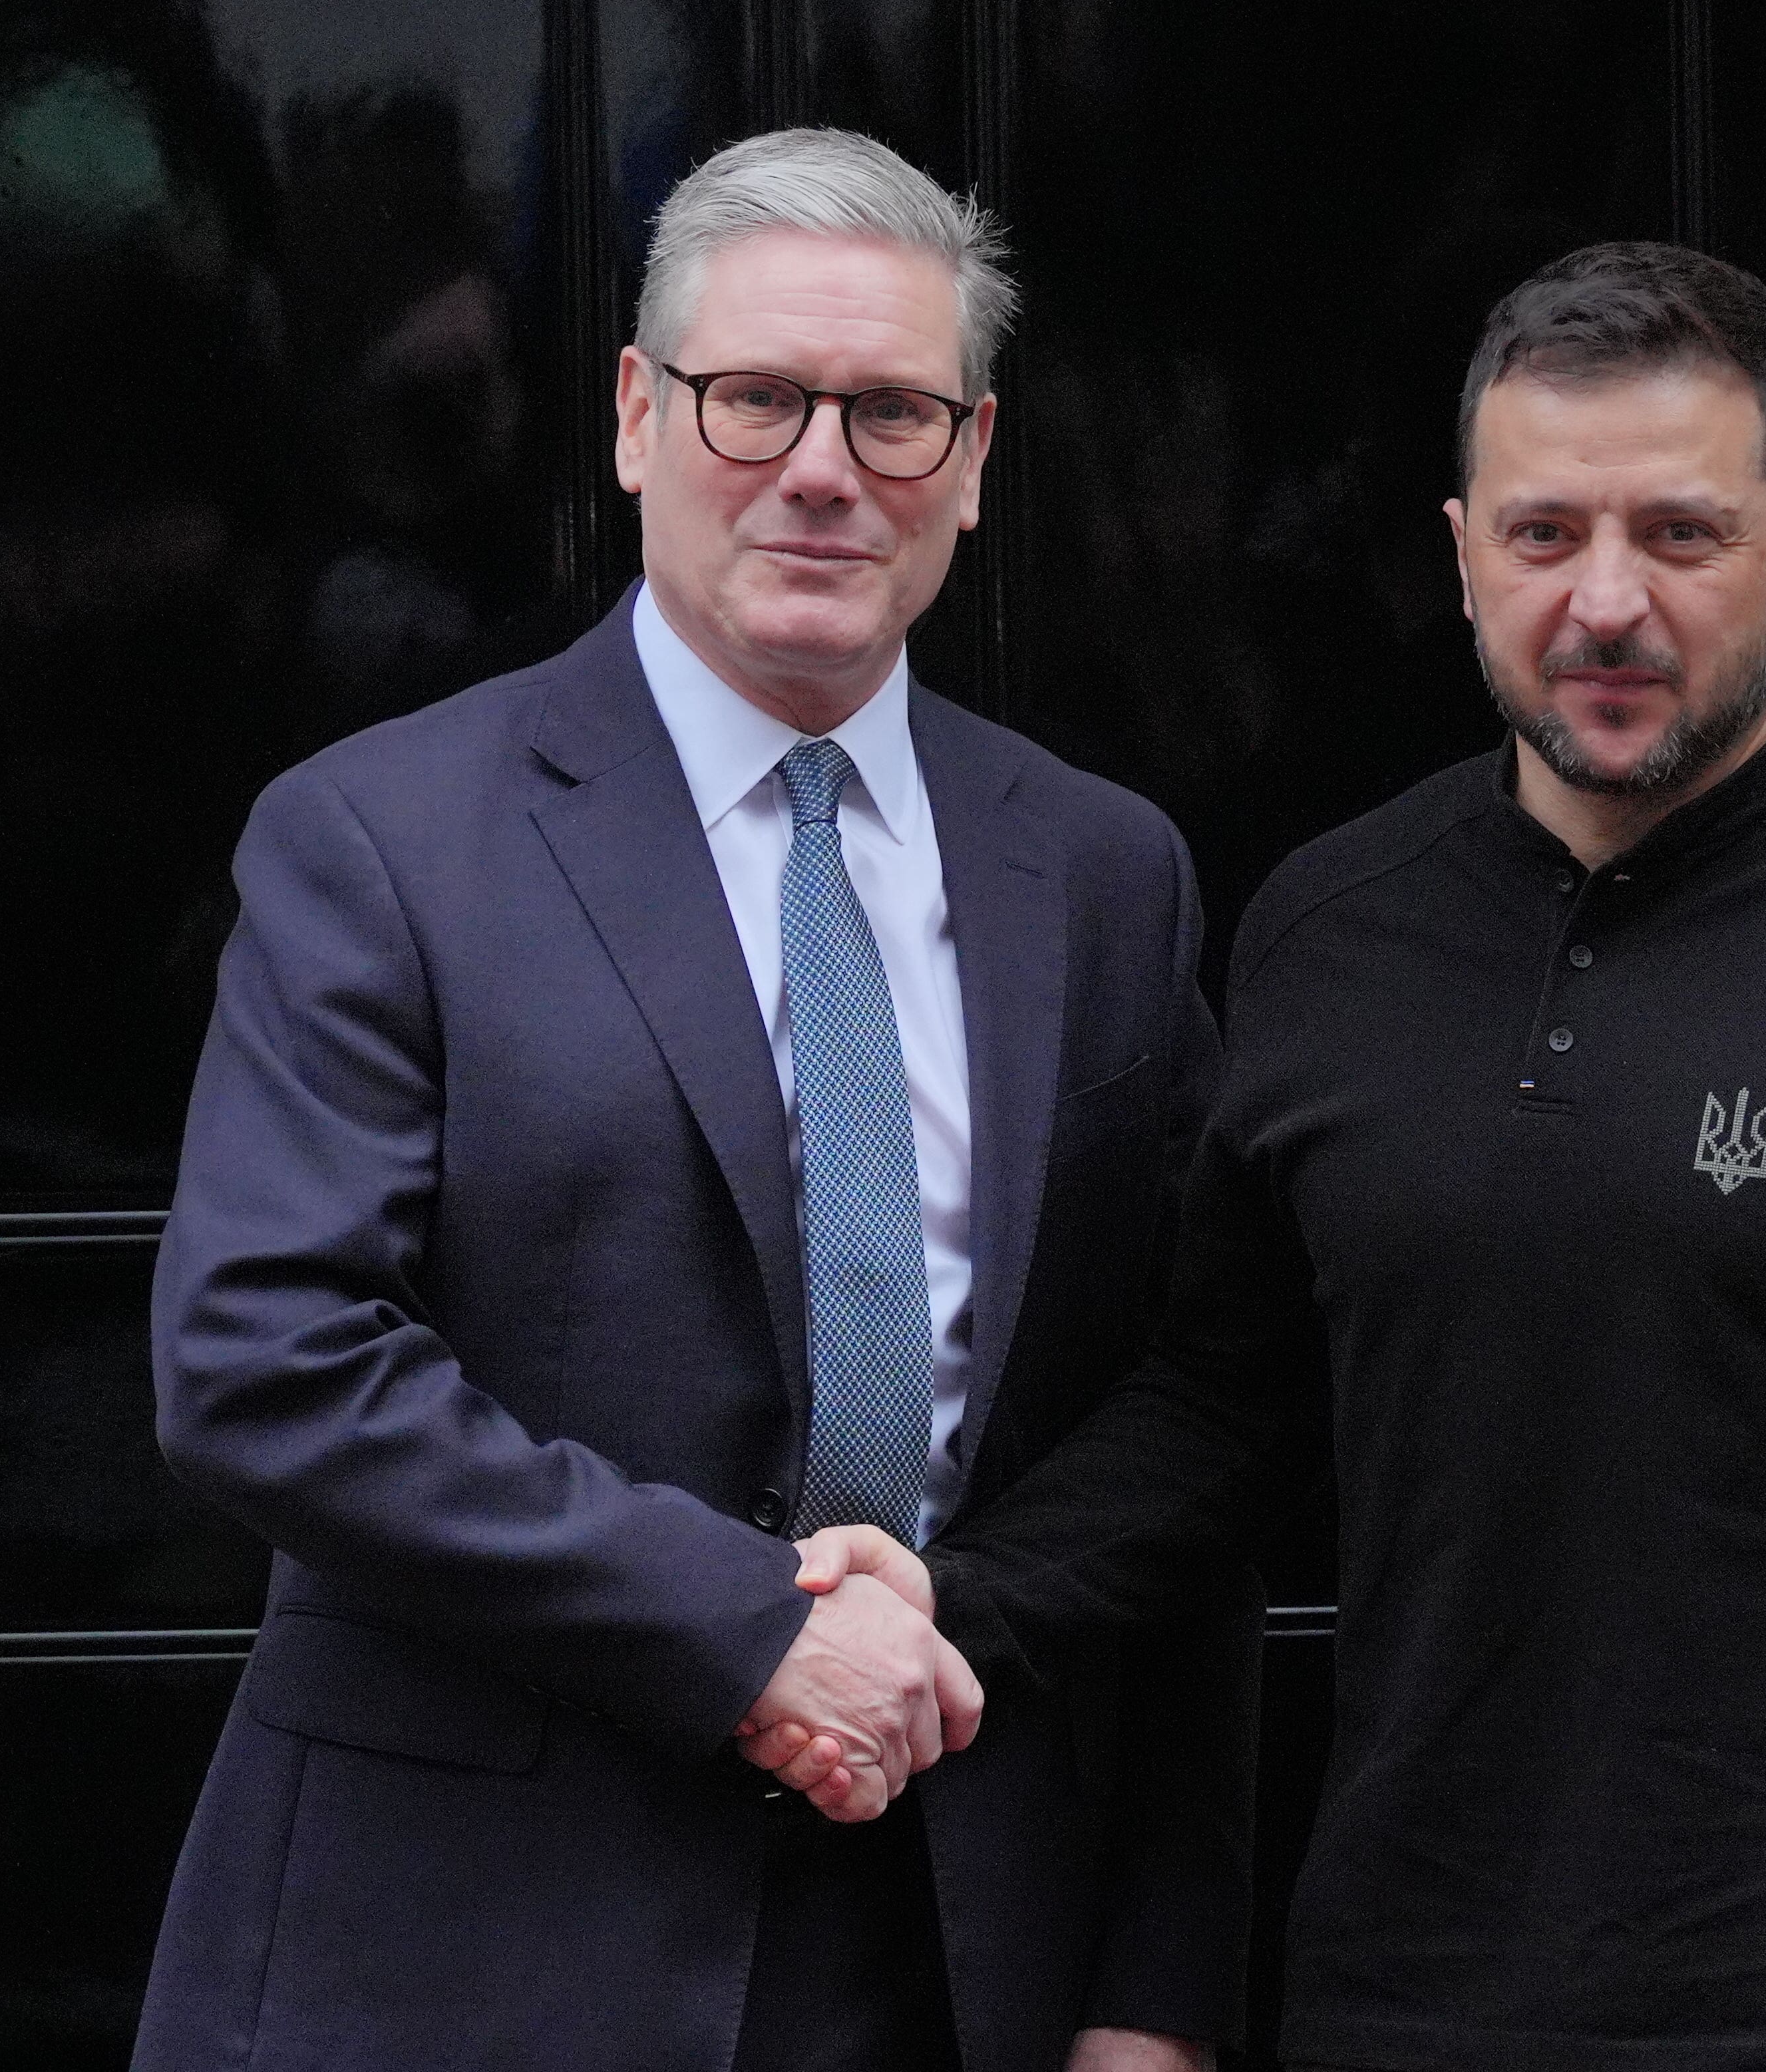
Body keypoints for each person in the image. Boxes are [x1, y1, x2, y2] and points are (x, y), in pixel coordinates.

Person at [775, 242, 1766, 2071]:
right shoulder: (1327, 933)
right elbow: (1230, 1412)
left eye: (1681, 537)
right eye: (1544, 536)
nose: (1605, 603)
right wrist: (952, 1594)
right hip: (1401, 1994)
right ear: (1462, 553)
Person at [133, 127, 1247, 2072]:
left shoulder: (1103, 872)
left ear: (973, 463)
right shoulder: (384, 841)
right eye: (758, 402)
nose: (822, 468)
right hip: (468, 1952)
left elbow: (1182, 1433)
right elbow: (263, 1357)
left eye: (893, 411)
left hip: (956, 1942)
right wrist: (745, 1632)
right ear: (641, 421)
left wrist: (1158, 1993)